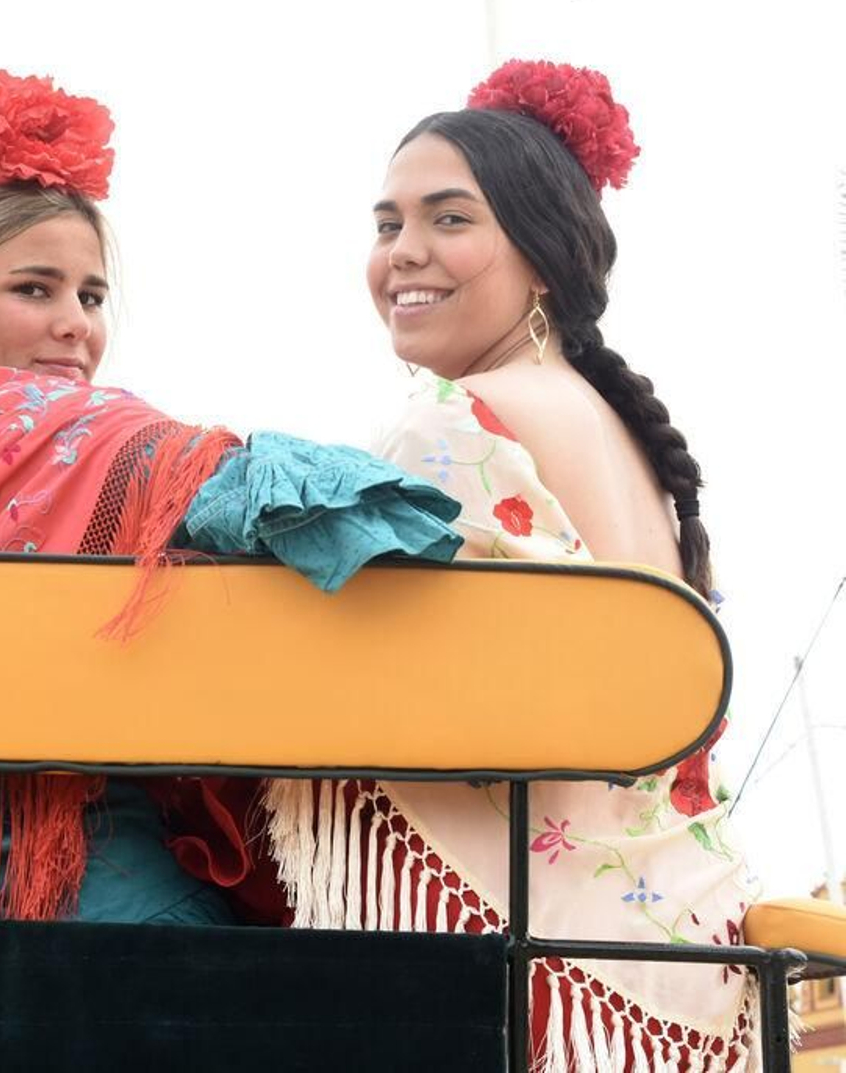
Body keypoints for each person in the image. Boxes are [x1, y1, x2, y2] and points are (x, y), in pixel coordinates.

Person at [0, 70, 463, 926]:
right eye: (33, 289)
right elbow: (242, 498)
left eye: (90, 295)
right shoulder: (42, 420)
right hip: (50, 873)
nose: (75, 322)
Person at [260, 60, 759, 1069]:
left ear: (542, 258)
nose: (405, 253)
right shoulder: (613, 423)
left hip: (552, 969)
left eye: (450, 220)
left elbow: (354, 682)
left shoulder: (455, 422)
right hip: (694, 951)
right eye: (387, 222)